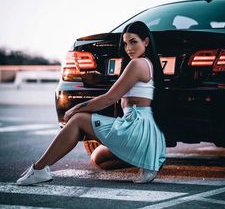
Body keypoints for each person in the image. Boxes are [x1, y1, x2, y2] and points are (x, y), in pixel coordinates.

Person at [16, 21, 166, 185]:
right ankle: (147, 160)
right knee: (98, 157)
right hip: (143, 130)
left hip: (136, 127)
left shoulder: (137, 63)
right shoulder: (148, 64)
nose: (128, 48)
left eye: (133, 42)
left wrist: (74, 109)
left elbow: (109, 98)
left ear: (146, 42)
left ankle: (39, 169)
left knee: (79, 120)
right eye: (125, 43)